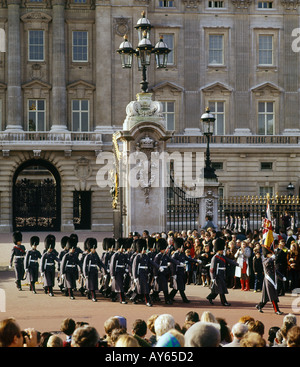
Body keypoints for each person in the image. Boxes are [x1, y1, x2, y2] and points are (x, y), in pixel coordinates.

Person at [206, 237, 240, 306]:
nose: (222, 251)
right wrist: (213, 278)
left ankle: (210, 297)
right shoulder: (215, 257)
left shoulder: (222, 256)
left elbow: (229, 261)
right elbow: (212, 269)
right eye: (221, 250)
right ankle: (224, 302)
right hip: (217, 275)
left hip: (222, 274)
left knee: (218, 289)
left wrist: (238, 264)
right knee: (221, 289)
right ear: (218, 250)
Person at [169, 237, 202, 303]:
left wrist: (196, 260)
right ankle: (184, 299)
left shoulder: (182, 253)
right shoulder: (175, 254)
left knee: (178, 287)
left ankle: (170, 297)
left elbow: (188, 259)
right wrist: (173, 274)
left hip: (182, 272)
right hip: (177, 272)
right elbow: (172, 264)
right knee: (179, 287)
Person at [255, 245, 284, 315]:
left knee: (267, 296)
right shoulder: (265, 260)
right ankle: (276, 310)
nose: (271, 254)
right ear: (267, 254)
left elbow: (275, 271)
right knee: (273, 295)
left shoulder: (271, 261)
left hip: (272, 280)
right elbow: (266, 263)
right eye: (270, 253)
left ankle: (260, 305)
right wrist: (271, 258)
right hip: (268, 280)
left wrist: (281, 276)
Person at [131, 238, 159, 307]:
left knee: (140, 288)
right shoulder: (137, 257)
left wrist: (158, 267)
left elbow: (151, 262)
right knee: (145, 288)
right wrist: (135, 277)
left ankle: (133, 297)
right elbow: (134, 267)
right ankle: (147, 302)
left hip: (145, 273)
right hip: (140, 274)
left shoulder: (145, 256)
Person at [82, 238, 107, 302]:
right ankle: (93, 296)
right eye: (93, 248)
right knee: (92, 285)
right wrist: (85, 274)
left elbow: (99, 262)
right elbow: (85, 266)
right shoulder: (88, 256)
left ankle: (89, 292)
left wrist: (104, 268)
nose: (94, 250)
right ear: (91, 248)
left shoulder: (96, 255)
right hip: (90, 272)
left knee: (94, 284)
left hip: (95, 271)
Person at [110, 238, 129, 304]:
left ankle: (113, 296)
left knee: (118, 285)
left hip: (122, 271)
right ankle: (122, 299)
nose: (123, 249)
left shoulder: (123, 255)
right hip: (117, 272)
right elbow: (112, 265)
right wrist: (112, 274)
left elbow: (128, 262)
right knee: (120, 286)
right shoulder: (115, 255)